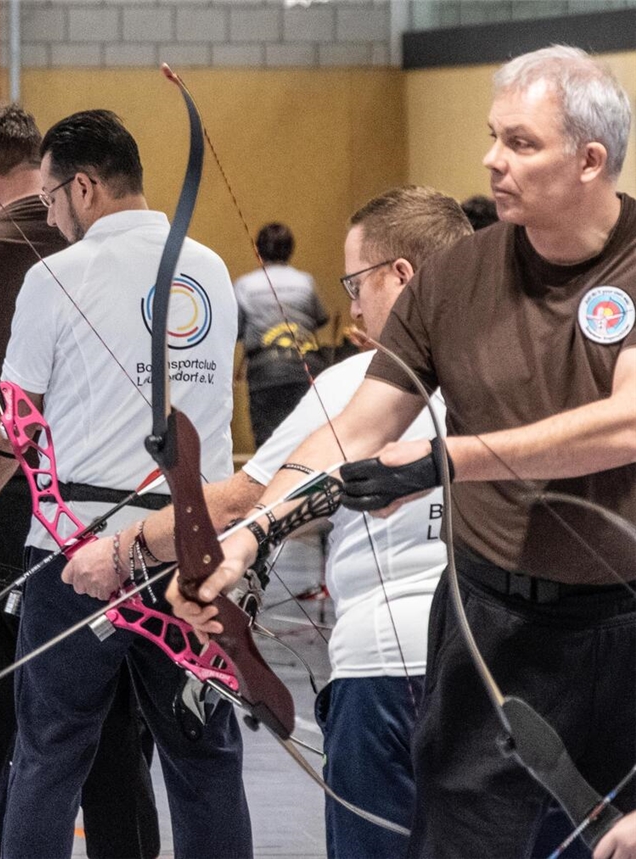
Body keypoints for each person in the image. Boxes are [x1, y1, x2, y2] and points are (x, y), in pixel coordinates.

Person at [172, 46, 636, 858]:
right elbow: (360, 426)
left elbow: (624, 422)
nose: (492, 158)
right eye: (494, 136)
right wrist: (254, 534)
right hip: (488, 618)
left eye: (521, 143)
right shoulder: (454, 277)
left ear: (590, 160)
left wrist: (452, 457)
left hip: (620, 623)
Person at [65, 185, 474, 856]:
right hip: (494, 661)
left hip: (383, 674)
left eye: (357, 281)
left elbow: (244, 499)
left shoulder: (363, 382)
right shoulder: (516, 370)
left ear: (401, 275)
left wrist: (124, 547)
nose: (353, 304)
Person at [0, 108, 251, 859]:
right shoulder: (213, 268)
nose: (52, 216)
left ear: (86, 187)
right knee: (203, 759)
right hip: (194, 549)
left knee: (50, 756)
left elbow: (12, 423)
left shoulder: (57, 275)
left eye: (55, 198)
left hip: (80, 554)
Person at [234, 222, 328, 448]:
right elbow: (320, 318)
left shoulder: (244, 285)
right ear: (290, 249)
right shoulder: (305, 281)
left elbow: (235, 330)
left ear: (258, 250)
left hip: (265, 371)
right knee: (307, 441)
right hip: (306, 365)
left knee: (268, 444)